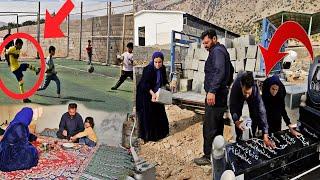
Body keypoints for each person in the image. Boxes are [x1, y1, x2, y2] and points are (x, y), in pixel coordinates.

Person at [194, 29, 233, 166]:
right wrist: (225, 86)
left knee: (210, 126)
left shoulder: (216, 52)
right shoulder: (222, 51)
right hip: (220, 94)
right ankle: (217, 152)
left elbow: (220, 71)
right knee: (217, 125)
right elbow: (231, 69)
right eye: (203, 43)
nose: (205, 45)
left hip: (215, 95)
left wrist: (213, 91)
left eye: (207, 42)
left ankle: (207, 156)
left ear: (214, 39)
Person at [229, 72, 275, 148]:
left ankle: (253, 134)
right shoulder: (236, 87)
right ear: (241, 86)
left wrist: (265, 134)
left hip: (253, 96)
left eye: (248, 93)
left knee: (255, 113)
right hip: (238, 95)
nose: (247, 96)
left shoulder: (255, 89)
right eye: (245, 93)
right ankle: (239, 138)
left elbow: (261, 110)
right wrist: (236, 121)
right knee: (237, 116)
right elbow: (233, 106)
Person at [136, 51, 172, 142]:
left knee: (159, 112)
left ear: (162, 61)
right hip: (145, 93)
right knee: (148, 114)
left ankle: (161, 133)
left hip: (156, 92)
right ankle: (147, 137)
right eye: (156, 62)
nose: (157, 64)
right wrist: (152, 94)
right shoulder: (148, 69)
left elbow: (164, 80)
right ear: (153, 61)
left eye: (159, 62)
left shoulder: (162, 68)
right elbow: (145, 84)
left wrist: (168, 85)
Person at [0, 107, 39, 172]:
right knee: (32, 152)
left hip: (5, 147)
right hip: (8, 151)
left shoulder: (18, 123)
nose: (31, 119)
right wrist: (32, 148)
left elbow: (26, 135)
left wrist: (34, 138)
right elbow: (24, 143)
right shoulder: (19, 126)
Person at [7, 38, 40, 103]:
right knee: (21, 82)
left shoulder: (18, 50)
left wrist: (12, 54)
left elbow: (16, 56)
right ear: (18, 44)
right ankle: (24, 98)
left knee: (26, 65)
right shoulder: (11, 49)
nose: (21, 47)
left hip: (18, 67)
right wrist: (8, 62)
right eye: (21, 45)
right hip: (15, 69)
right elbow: (7, 53)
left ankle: (36, 70)